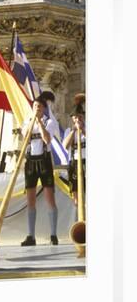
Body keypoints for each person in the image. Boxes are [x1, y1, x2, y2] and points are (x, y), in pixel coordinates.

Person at [20, 96, 59, 246]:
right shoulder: (26, 121)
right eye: (34, 106)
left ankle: (53, 234)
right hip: (30, 161)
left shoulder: (49, 122)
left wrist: (39, 122)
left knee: (50, 197)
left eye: (39, 107)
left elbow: (47, 139)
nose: (36, 108)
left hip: (44, 160)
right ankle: (31, 235)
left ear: (43, 109)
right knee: (30, 200)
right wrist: (32, 121)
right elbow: (25, 139)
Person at [62, 94, 86, 223]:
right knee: (76, 195)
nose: (78, 119)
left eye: (80, 117)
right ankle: (80, 222)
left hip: (87, 162)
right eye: (75, 117)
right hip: (74, 163)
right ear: (72, 118)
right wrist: (74, 131)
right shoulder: (68, 131)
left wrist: (83, 130)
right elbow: (65, 145)